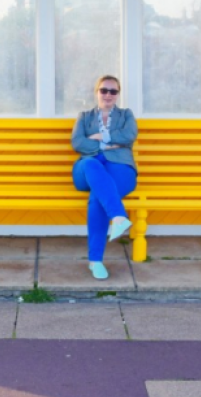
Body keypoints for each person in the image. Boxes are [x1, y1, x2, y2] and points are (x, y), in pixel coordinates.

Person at [70, 75, 138, 280]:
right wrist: (109, 144)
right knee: (91, 164)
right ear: (96, 92)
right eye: (104, 90)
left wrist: (101, 137)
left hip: (120, 167)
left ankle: (96, 260)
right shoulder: (84, 116)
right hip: (88, 168)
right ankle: (118, 216)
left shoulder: (126, 115)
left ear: (118, 95)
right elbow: (77, 142)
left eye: (113, 91)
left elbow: (129, 135)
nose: (108, 95)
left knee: (98, 198)